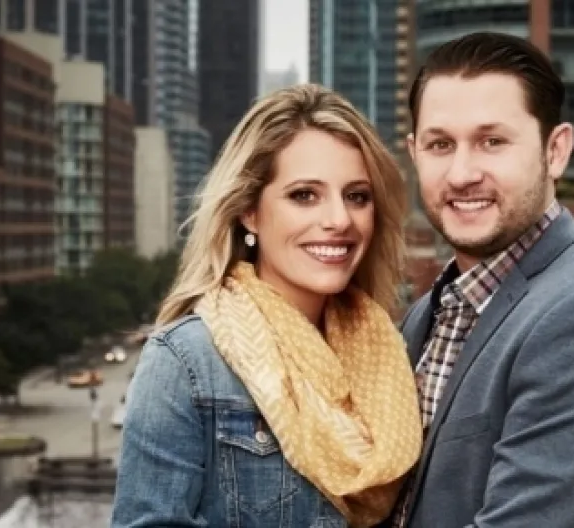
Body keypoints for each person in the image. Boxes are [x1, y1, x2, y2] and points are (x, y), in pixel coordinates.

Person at [388, 32, 574, 527]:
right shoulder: (432, 312)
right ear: (414, 153)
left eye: (492, 142)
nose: (461, 173)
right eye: (441, 145)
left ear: (556, 150)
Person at [112, 84, 422, 528]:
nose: (339, 220)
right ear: (249, 212)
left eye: (357, 196)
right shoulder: (184, 362)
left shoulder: (392, 356)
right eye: (304, 195)